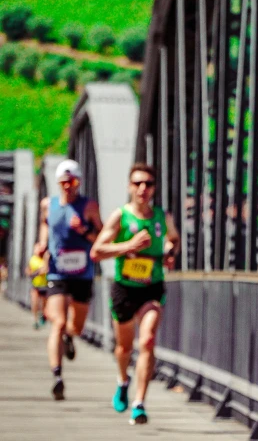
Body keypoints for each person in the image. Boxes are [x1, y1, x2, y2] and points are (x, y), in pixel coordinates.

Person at [91, 163, 179, 425]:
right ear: (130, 186)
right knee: (124, 347)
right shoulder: (121, 216)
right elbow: (97, 251)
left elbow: (173, 239)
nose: (143, 189)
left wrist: (169, 252)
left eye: (148, 184)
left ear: (154, 188)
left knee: (148, 340)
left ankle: (139, 403)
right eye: (138, 183)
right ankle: (122, 380)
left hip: (152, 287)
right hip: (125, 288)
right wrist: (128, 245)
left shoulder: (163, 217)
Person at [39, 159, 103, 400]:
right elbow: (45, 228)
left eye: (73, 181)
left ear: (79, 183)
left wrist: (84, 230)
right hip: (57, 272)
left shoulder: (89, 207)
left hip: (82, 274)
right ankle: (57, 375)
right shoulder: (48, 205)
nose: (68, 186)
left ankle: (69, 337)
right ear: (58, 183)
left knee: (75, 326)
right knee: (56, 321)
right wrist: (42, 245)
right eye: (64, 182)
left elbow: (102, 236)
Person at [25, 242, 48, 329]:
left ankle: (43, 316)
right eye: (36, 248)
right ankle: (35, 320)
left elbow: (47, 270)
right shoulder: (32, 259)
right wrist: (37, 272)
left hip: (45, 284)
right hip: (35, 284)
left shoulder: (46, 258)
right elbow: (28, 271)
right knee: (34, 303)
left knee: (43, 304)